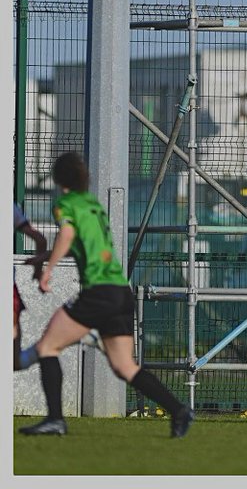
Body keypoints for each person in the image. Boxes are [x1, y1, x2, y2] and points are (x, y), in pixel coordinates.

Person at [18, 152, 193, 438]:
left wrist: (48, 270)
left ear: (59, 179)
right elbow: (84, 241)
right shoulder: (92, 204)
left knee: (48, 347)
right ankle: (178, 410)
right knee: (125, 367)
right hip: (120, 291)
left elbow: (67, 235)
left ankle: (55, 419)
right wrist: (46, 257)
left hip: (98, 291)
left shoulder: (65, 204)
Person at [14, 201, 48, 371]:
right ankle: (51, 345)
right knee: (13, 360)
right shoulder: (10, 207)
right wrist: (38, 269)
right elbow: (40, 240)